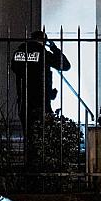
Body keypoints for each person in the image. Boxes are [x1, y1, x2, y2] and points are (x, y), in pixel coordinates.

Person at [11, 30, 70, 165]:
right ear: (44, 41)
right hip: (41, 101)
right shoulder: (43, 53)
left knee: (29, 135)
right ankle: (40, 164)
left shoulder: (18, 53)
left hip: (24, 100)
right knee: (43, 135)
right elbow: (65, 65)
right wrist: (54, 48)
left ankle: (30, 163)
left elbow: (16, 68)